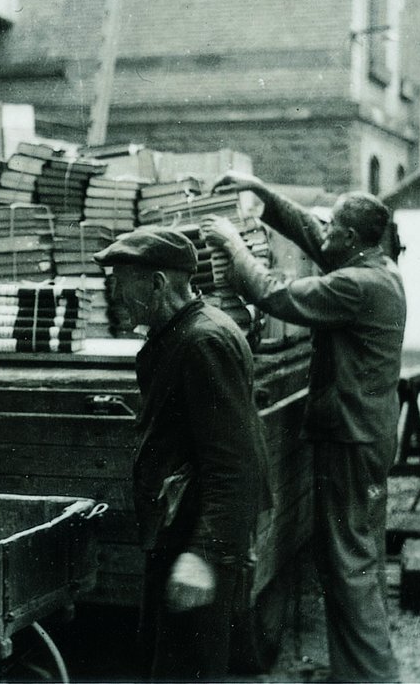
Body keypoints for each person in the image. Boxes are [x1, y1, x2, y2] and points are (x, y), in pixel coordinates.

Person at [202, 172, 405, 682]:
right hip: (365, 433)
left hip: (351, 437)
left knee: (347, 562)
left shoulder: (356, 285)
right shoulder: (375, 267)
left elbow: (273, 294)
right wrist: (261, 189)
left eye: (334, 225)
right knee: (356, 555)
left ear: (354, 240)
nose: (324, 231)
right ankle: (356, 671)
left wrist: (230, 241)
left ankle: (372, 678)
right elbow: (315, 237)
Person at [93, 227, 267, 680]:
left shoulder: (201, 342)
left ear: (156, 284)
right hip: (179, 529)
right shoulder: (185, 332)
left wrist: (203, 554)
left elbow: (235, 462)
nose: (115, 294)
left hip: (194, 537)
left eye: (122, 280)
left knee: (183, 671)